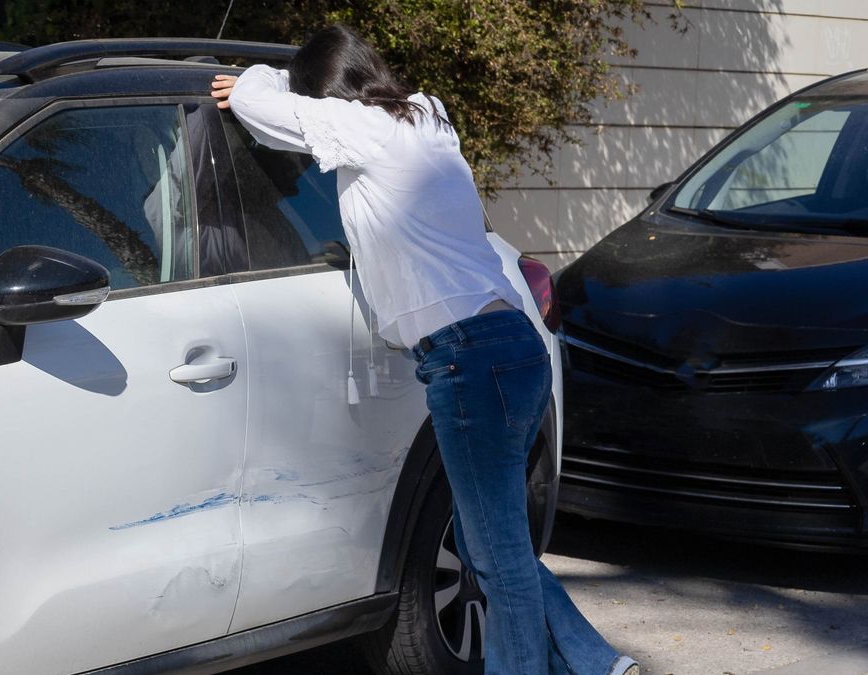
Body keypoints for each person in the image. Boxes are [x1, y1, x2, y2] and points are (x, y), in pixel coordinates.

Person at [211, 24, 638, 675]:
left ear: (331, 93)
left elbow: (259, 104)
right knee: (485, 539)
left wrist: (249, 78)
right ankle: (596, 660)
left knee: (494, 558)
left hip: (469, 361)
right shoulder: (427, 117)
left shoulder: (363, 129)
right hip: (513, 351)